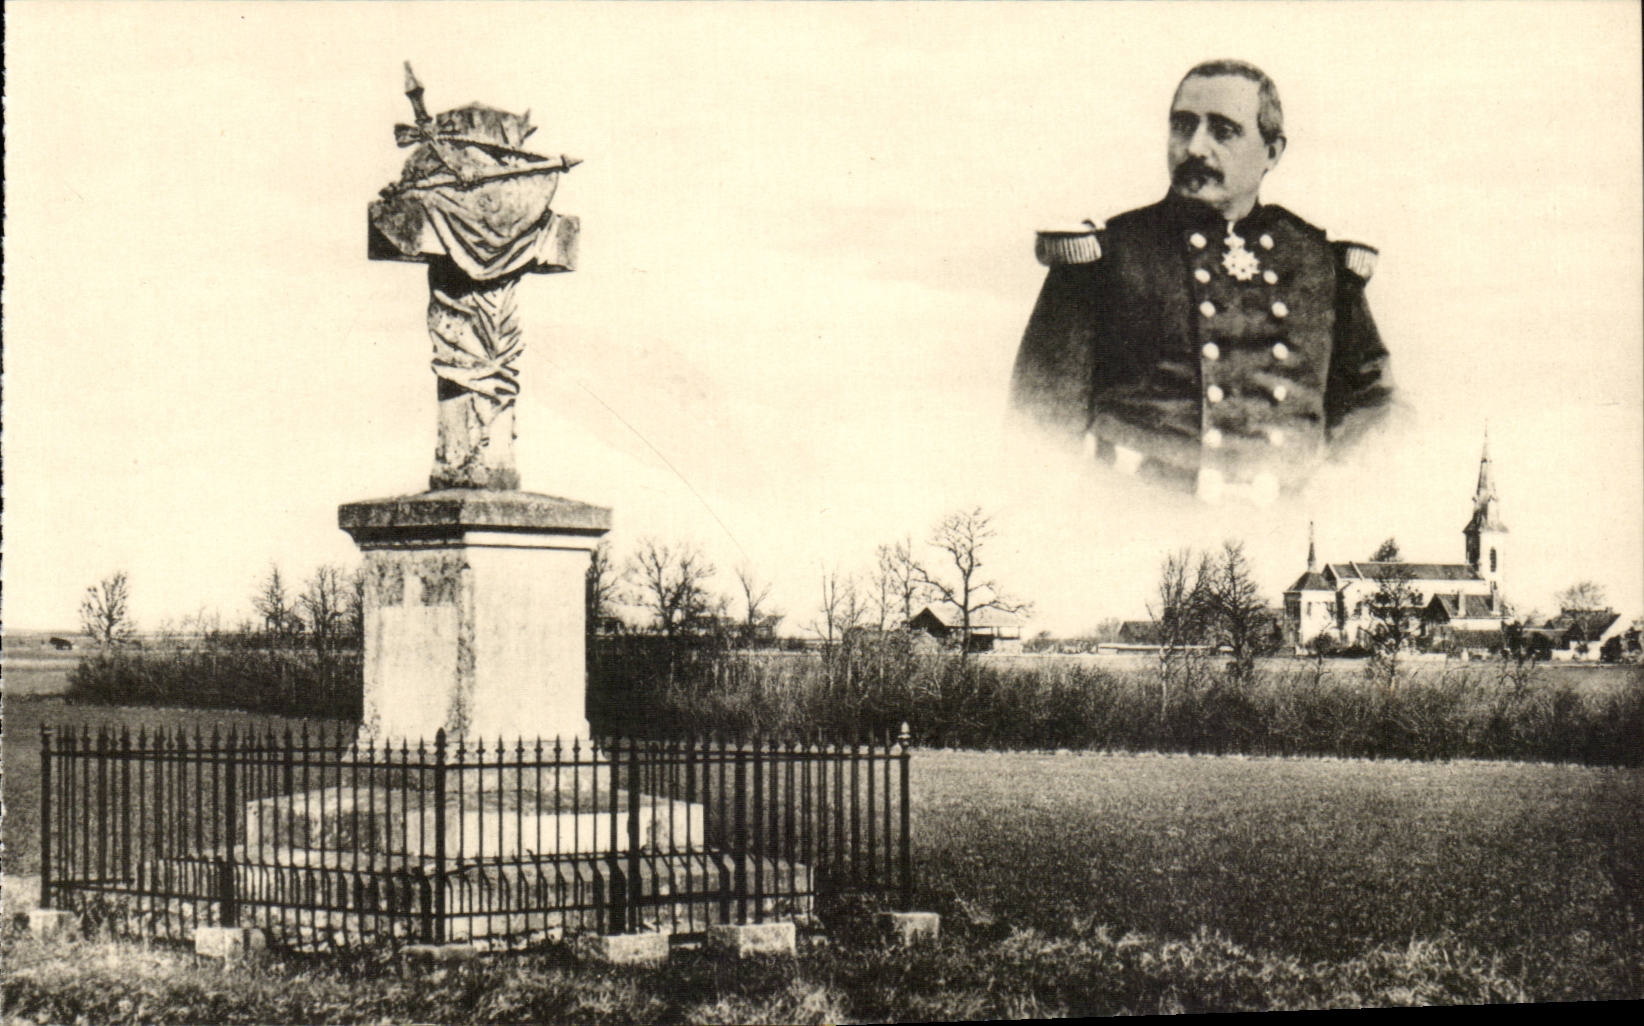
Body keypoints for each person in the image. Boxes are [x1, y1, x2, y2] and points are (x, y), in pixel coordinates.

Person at [1008, 60, 1392, 505]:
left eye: (1223, 131)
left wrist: (1340, 493)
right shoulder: (1106, 259)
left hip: (1286, 530)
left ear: (1272, 152)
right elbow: (1036, 433)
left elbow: (1374, 402)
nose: (1194, 148)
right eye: (1183, 126)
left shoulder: (1318, 262)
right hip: (1135, 521)